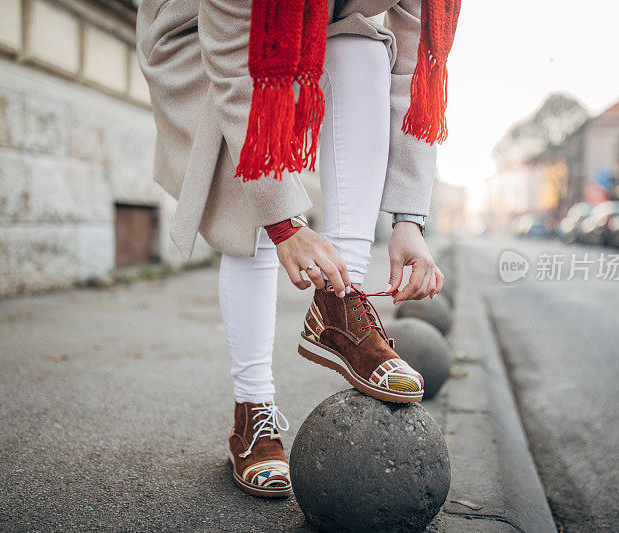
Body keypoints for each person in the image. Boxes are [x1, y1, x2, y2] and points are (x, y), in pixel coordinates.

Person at [137, 0, 460, 499]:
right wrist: (285, 224)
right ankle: (253, 413)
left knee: (363, 50)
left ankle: (340, 305)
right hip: (204, 36)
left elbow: (417, 74)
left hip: (316, 21)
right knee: (253, 197)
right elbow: (234, 72)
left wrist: (409, 220)